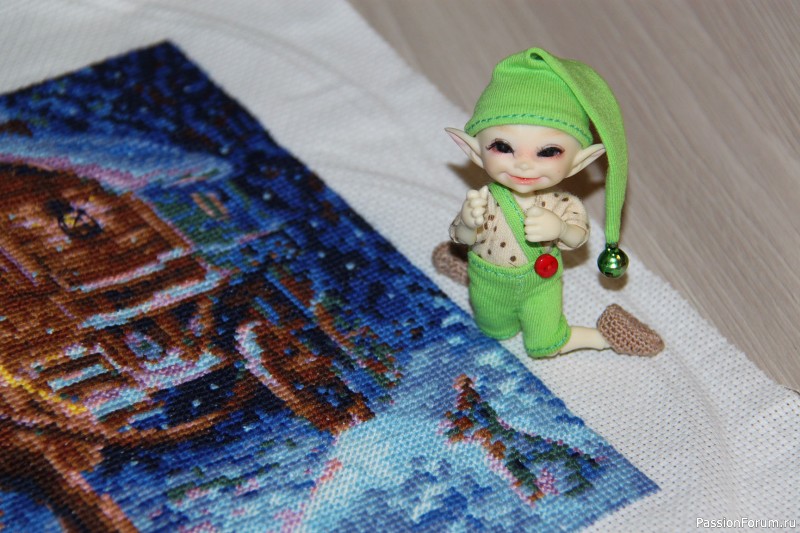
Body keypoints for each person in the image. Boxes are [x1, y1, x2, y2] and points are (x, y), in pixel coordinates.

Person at [441, 47, 663, 358]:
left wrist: (559, 228)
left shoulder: (561, 203)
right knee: (491, 329)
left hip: (540, 287)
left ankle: (604, 336)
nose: (524, 164)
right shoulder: (484, 200)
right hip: (488, 284)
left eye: (548, 152)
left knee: (544, 345)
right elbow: (462, 237)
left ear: (579, 162)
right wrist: (468, 223)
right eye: (503, 147)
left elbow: (577, 239)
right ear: (473, 150)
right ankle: (462, 269)